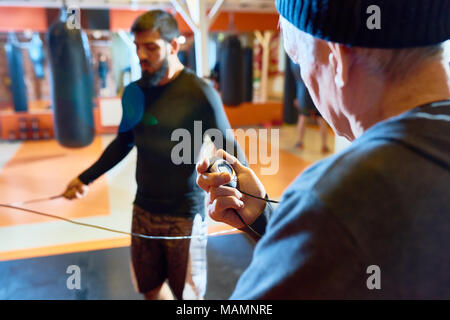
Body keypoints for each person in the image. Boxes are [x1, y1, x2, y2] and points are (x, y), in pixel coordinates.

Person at [196, 0, 450, 299]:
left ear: (337, 57)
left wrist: (309, 218)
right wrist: (269, 221)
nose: (304, 76)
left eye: (299, 60)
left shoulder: (337, 200)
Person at [63, 10, 243, 300]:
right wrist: (85, 178)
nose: (142, 56)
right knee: (149, 290)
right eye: (137, 47)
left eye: (151, 47)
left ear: (174, 46)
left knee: (187, 297)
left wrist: (227, 178)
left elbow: (233, 154)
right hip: (144, 211)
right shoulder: (134, 92)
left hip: (184, 215)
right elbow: (124, 142)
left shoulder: (200, 93)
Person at [290, 60, 330, 153]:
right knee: (320, 119)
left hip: (303, 93)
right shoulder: (314, 60)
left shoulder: (295, 62)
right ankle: (324, 145)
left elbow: (296, 80)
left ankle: (300, 142)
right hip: (317, 93)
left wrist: (296, 96)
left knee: (303, 117)